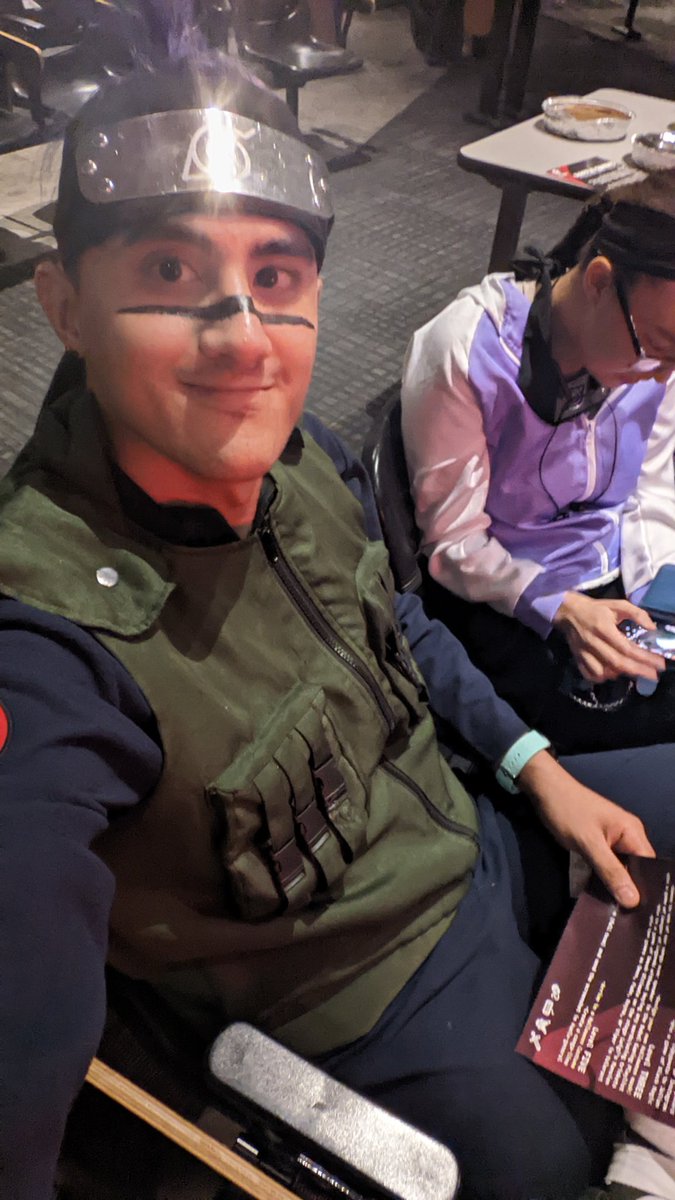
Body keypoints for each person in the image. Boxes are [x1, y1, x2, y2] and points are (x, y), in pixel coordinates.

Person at [2, 37, 675, 1200]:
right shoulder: (47, 642)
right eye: (169, 267)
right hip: (365, 989)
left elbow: (400, 619)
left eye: (276, 276)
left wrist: (540, 771)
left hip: (474, 825)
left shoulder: (300, 457)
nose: (240, 336)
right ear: (61, 304)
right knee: (556, 1170)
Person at [401, 178, 675, 754]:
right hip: (506, 595)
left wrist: (658, 603)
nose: (662, 377)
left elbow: (650, 489)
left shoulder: (653, 357)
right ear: (598, 281)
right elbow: (455, 543)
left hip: (616, 576)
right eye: (657, 347)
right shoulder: (466, 347)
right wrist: (563, 608)